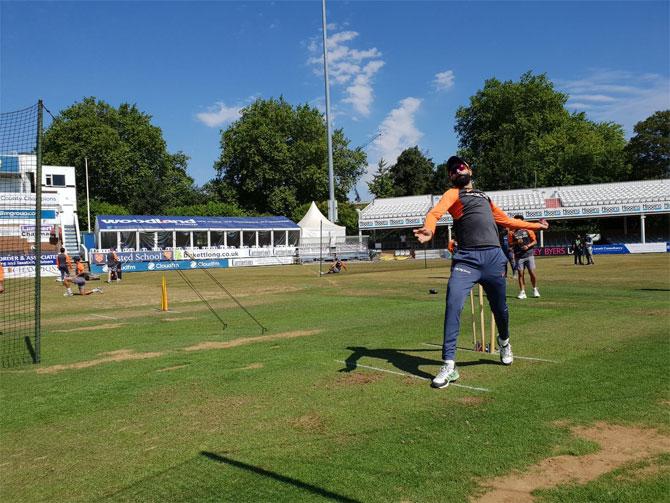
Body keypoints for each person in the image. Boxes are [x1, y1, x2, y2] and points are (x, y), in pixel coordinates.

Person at [413, 156, 549, 389]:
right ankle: (449, 363)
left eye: (461, 166)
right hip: (466, 259)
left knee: (500, 309)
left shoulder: (485, 197)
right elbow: (435, 213)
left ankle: (504, 342)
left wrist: (536, 226)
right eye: (453, 170)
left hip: (494, 259)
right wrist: (429, 228)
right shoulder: (453, 194)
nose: (457, 170)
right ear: (450, 177)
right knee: (453, 304)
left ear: (470, 171)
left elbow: (506, 221)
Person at [509, 215, 540, 299]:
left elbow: (535, 241)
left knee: (532, 273)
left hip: (529, 254)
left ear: (523, 221)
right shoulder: (512, 232)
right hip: (519, 256)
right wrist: (516, 242)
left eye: (519, 221)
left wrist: (528, 246)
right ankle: (522, 292)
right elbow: (510, 244)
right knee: (520, 274)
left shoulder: (528, 230)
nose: (518, 223)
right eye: (516, 221)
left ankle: (535, 289)